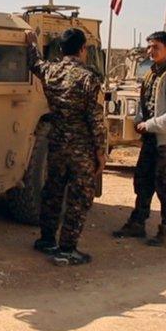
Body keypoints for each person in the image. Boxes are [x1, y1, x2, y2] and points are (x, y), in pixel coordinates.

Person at [25, 28, 106, 266]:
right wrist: (100, 153)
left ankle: (47, 240)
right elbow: (95, 119)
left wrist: (31, 44)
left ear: (61, 49)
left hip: (57, 142)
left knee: (53, 192)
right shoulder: (87, 77)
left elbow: (35, 63)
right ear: (83, 50)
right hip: (81, 148)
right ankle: (67, 249)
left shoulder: (52, 71)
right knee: (79, 198)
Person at [113, 30, 166, 246]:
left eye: (156, 47)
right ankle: (137, 223)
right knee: (143, 181)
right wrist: (140, 119)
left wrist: (150, 125)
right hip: (150, 139)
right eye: (149, 47)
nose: (151, 51)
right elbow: (145, 104)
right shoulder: (151, 74)